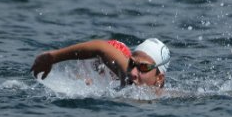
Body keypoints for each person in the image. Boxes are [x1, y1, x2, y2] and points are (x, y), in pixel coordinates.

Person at [31, 38, 171, 88]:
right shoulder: (127, 75)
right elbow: (101, 48)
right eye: (132, 63)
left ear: (159, 78)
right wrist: (52, 57)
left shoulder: (164, 97)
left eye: (144, 67)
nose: (133, 72)